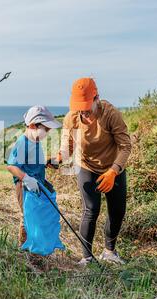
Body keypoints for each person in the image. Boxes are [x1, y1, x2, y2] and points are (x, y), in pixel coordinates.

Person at [53, 77, 132, 265]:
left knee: (117, 210)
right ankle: (87, 257)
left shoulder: (111, 114)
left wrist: (113, 171)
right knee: (91, 210)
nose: (84, 113)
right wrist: (58, 158)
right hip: (86, 166)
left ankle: (109, 252)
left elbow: (125, 146)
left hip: (113, 167)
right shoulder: (71, 118)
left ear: (97, 98)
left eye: (87, 108)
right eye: (81, 109)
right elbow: (68, 146)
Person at [6, 105, 62, 248]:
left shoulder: (35, 141)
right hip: (24, 186)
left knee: (37, 214)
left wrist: (46, 163)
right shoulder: (22, 143)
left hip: (36, 183)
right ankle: (24, 247)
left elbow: (31, 161)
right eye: (46, 129)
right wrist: (26, 178)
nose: (47, 133)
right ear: (32, 125)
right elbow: (11, 166)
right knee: (27, 216)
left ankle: (36, 245)